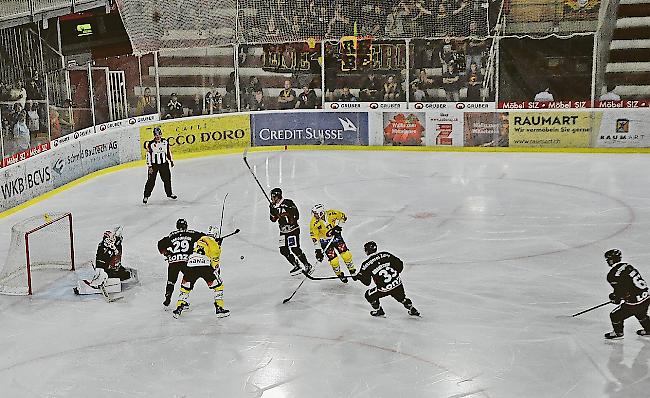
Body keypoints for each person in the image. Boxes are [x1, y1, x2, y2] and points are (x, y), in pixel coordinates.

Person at [352, 241, 420, 317]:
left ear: (367, 251)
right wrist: (395, 275)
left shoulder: (366, 264)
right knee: (401, 298)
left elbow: (367, 282)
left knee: (368, 295)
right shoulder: (385, 254)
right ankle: (411, 308)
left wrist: (359, 277)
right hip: (397, 283)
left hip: (384, 288)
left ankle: (379, 311)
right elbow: (400, 264)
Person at [172, 235, 230, 319]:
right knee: (218, 286)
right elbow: (215, 254)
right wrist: (216, 268)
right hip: (204, 266)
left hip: (191, 265)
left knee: (185, 287)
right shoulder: (212, 242)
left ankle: (179, 307)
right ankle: (219, 308)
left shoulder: (200, 240)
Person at [73, 226, 138, 296]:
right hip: (108, 273)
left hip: (116, 269)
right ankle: (84, 288)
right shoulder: (103, 249)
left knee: (128, 275)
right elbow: (100, 265)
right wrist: (101, 276)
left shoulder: (117, 244)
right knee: (117, 281)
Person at [157, 218, 206, 307]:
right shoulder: (191, 233)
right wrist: (215, 240)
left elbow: (160, 244)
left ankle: (168, 295)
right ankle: (183, 299)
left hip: (173, 261)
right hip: (186, 261)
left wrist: (167, 253)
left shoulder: (172, 235)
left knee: (171, 281)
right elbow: (204, 237)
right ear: (186, 226)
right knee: (188, 280)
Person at [603, 249, 650, 339]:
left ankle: (618, 333)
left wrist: (614, 297)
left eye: (608, 259)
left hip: (634, 303)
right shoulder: (627, 266)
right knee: (641, 314)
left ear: (611, 260)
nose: (607, 261)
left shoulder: (612, 275)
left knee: (615, 315)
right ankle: (649, 329)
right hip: (646, 297)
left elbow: (619, 295)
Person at [269, 187, 313, 276]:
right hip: (283, 232)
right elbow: (272, 219)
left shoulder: (288, 202)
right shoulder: (273, 206)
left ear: (278, 196)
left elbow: (296, 215)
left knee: (295, 248)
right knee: (283, 250)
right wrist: (272, 210)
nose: (272, 198)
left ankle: (307, 265)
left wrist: (285, 214)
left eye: (273, 196)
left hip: (293, 230)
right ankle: (296, 265)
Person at [309, 203, 355, 283]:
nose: (314, 215)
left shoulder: (331, 213)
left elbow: (343, 217)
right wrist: (318, 250)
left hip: (336, 237)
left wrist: (338, 227)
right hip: (325, 241)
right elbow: (315, 238)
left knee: (346, 255)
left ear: (321, 213)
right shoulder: (313, 223)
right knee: (334, 261)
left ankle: (352, 270)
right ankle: (339, 274)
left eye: (316, 213)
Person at [143, 126, 177, 204]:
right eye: (156, 135)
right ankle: (146, 196)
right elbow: (148, 155)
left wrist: (171, 160)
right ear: (154, 135)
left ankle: (169, 194)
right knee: (151, 181)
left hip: (164, 164)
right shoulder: (151, 144)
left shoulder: (165, 142)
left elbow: (168, 152)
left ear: (161, 134)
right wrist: (150, 166)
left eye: (159, 134)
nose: (157, 136)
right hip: (154, 165)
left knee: (167, 179)